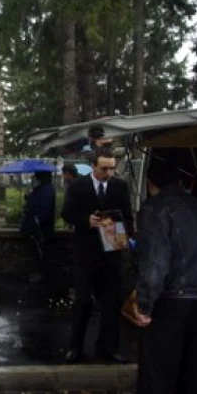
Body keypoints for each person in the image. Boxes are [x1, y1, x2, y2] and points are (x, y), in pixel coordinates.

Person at [133, 158, 197, 394]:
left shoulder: (153, 209)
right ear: (180, 182)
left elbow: (155, 263)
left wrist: (145, 306)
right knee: (191, 377)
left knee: (158, 377)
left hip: (170, 303)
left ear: (150, 184)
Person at [61, 147, 133, 363]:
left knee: (111, 303)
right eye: (104, 169)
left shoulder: (120, 187)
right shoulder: (77, 186)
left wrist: (121, 231)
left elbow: (128, 217)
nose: (109, 173)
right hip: (86, 253)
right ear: (93, 166)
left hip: (111, 253)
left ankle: (108, 348)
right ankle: (75, 347)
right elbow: (66, 214)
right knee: (82, 301)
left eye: (112, 168)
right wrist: (86, 221)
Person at [19, 171, 56, 242]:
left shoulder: (46, 190)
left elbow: (43, 211)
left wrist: (34, 223)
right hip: (37, 229)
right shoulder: (42, 188)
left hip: (39, 231)